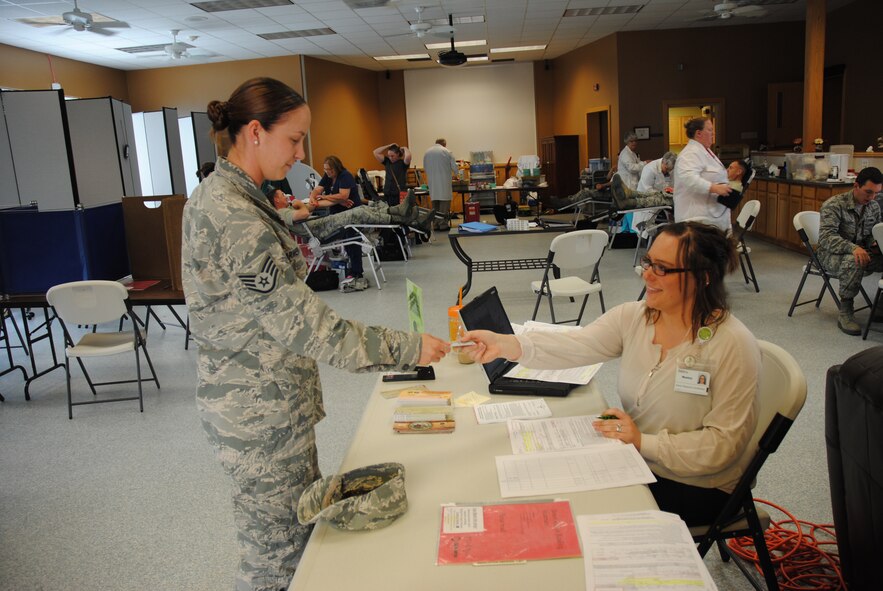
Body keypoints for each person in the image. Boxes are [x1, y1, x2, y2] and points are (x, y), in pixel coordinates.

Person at [181, 77, 449, 591]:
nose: (302, 153)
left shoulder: (240, 198)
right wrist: (408, 347)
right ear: (255, 132)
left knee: (296, 544)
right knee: (276, 563)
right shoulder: (233, 214)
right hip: (256, 417)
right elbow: (309, 327)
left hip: (270, 405)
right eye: (295, 139)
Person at [460, 221, 760, 527]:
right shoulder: (636, 317)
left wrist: (643, 442)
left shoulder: (732, 345)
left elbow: (723, 446)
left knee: (575, 508)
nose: (647, 275)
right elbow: (576, 345)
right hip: (637, 458)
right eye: (648, 262)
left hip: (697, 485)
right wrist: (506, 344)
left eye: (662, 268)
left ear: (703, 278)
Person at [817, 166, 883, 335]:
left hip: (862, 250)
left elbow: (869, 234)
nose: (872, 197)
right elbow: (826, 238)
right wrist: (853, 248)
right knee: (854, 260)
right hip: (830, 254)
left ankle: (880, 307)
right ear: (856, 186)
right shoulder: (834, 205)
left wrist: (875, 243)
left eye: (876, 193)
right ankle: (845, 312)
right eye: (868, 192)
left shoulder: (873, 206)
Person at [611, 158, 749, 214]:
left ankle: (629, 201)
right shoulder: (727, 183)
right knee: (661, 194)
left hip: (693, 207)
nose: (727, 169)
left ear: (739, 172)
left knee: (662, 199)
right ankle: (629, 195)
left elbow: (714, 199)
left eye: (731, 168)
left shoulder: (734, 188)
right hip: (690, 201)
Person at [673, 117, 733, 232]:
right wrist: (714, 188)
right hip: (697, 219)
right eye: (710, 130)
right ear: (699, 133)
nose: (713, 133)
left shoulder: (706, 151)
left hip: (713, 217)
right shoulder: (690, 153)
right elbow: (688, 178)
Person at [423, 138, 458, 231]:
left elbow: (425, 168)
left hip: (432, 183)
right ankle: (443, 225)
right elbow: (455, 167)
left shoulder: (427, 152)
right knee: (444, 204)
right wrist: (457, 174)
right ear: (444, 144)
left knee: (435, 205)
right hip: (444, 182)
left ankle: (435, 224)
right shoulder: (447, 151)